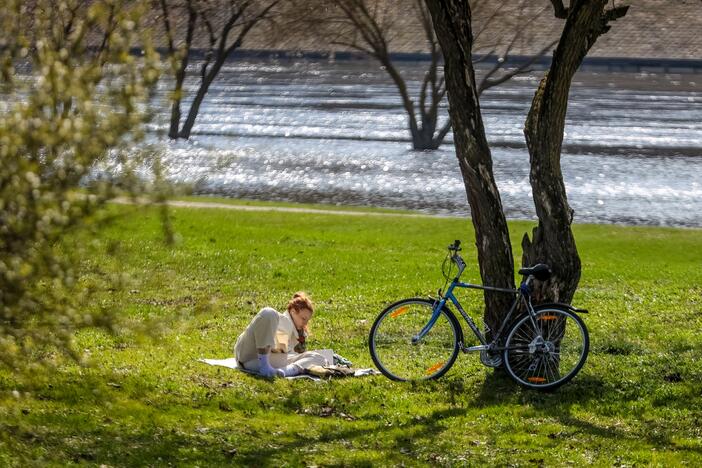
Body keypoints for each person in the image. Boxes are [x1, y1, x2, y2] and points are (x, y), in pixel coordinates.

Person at [234, 292, 329, 378]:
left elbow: (284, 353)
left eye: (307, 320)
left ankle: (285, 372)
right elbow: (281, 347)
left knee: (319, 358)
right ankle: (265, 367)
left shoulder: (295, 332)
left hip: (257, 363)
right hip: (248, 355)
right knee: (268, 312)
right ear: (292, 312)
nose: (305, 323)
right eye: (303, 318)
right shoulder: (283, 320)